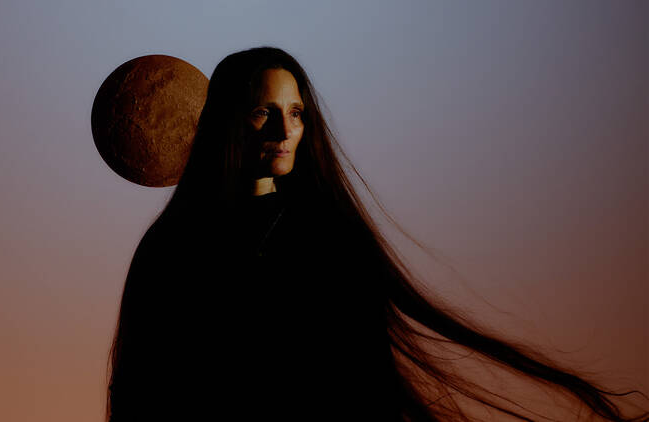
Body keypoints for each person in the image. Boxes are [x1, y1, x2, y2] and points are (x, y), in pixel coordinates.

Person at [106, 46, 647, 421]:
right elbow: (140, 390)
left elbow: (366, 384)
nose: (283, 130)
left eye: (295, 113)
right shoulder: (170, 247)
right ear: (226, 120)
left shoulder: (329, 239)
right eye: (260, 113)